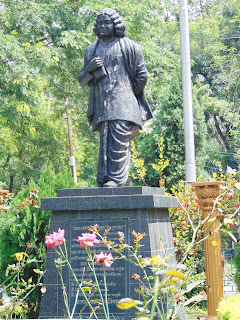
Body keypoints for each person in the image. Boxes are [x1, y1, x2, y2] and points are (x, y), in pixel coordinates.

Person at [78, 8, 152, 187]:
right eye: (100, 23)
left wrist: (127, 94)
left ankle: (116, 180)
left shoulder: (129, 46)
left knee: (119, 142)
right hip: (101, 106)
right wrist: (90, 69)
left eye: (107, 22)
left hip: (123, 105)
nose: (103, 26)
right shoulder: (91, 49)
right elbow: (82, 80)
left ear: (115, 24)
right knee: (105, 144)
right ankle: (108, 179)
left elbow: (142, 76)